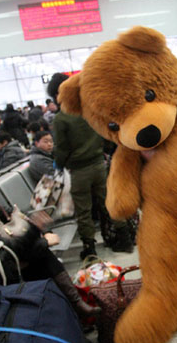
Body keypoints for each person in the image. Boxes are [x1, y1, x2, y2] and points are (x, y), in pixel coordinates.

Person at [50, 74, 133, 259]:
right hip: (98, 165)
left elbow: (62, 148)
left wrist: (59, 165)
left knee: (84, 211)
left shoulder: (61, 118)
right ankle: (125, 238)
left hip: (78, 171)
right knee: (109, 203)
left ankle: (90, 248)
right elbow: (105, 134)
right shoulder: (89, 110)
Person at [0, 204, 100, 319]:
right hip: (3, 302)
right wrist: (44, 242)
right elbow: (18, 250)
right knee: (41, 256)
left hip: (17, 279)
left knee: (42, 256)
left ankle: (72, 308)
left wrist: (42, 230)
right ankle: (74, 305)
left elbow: (22, 231)